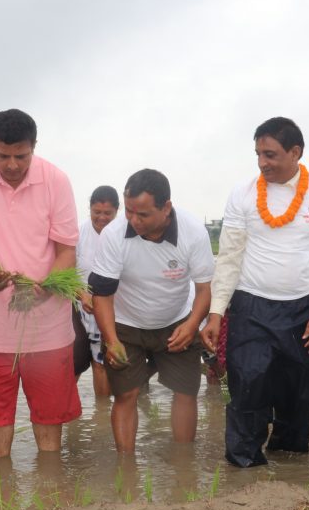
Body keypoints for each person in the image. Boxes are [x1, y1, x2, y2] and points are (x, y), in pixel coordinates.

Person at [200, 117, 309, 468]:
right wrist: (217, 312)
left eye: (271, 154)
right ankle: (244, 468)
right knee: (247, 386)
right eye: (258, 155)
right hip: (251, 306)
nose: (263, 163)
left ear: (296, 152)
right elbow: (230, 255)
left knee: (299, 393)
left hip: (304, 311)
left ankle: (290, 468)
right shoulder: (244, 193)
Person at [0, 109, 81, 458]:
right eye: (1, 156)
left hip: (47, 325)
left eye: (20, 156)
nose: (11, 165)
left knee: (51, 416)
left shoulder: (56, 181)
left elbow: (67, 251)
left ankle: (51, 494)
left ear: (34, 147)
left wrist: (46, 286)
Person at [90, 169, 215, 451]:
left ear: (166, 207)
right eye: (129, 212)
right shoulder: (113, 235)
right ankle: (127, 466)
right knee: (126, 394)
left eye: (143, 215)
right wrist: (110, 341)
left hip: (176, 322)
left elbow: (205, 289)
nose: (133, 221)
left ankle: (183, 466)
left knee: (185, 392)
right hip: (126, 324)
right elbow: (102, 295)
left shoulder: (193, 232)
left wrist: (193, 323)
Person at [73, 185, 120, 398]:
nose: (101, 218)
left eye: (107, 213)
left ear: (117, 211)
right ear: (89, 209)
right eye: (96, 212)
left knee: (106, 362)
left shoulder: (125, 233)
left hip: (116, 308)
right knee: (80, 362)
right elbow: (66, 273)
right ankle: (83, 415)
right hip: (83, 307)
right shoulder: (78, 233)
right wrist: (82, 295)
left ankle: (105, 413)